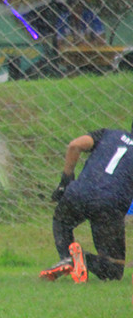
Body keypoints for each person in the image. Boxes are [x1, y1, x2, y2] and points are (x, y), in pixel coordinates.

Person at [40, 121, 133, 283]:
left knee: (62, 222)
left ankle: (68, 259)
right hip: (109, 203)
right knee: (113, 270)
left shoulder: (108, 134)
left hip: (78, 193)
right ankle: (82, 259)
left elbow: (75, 145)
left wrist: (65, 182)